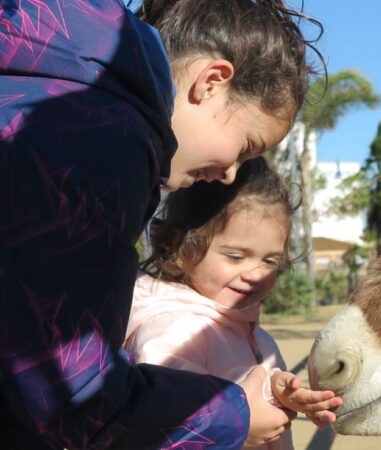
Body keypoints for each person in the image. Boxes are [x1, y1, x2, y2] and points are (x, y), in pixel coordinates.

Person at [0, 0, 326, 447]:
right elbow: (70, 397)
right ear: (211, 82)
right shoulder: (101, 142)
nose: (231, 174)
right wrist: (235, 416)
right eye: (247, 146)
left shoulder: (51, 77)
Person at [124, 158, 339, 450]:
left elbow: (235, 384)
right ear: (177, 246)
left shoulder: (251, 333)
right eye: (235, 257)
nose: (254, 274)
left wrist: (277, 391)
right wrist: (238, 425)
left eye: (270, 260)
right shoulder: (174, 329)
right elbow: (164, 425)